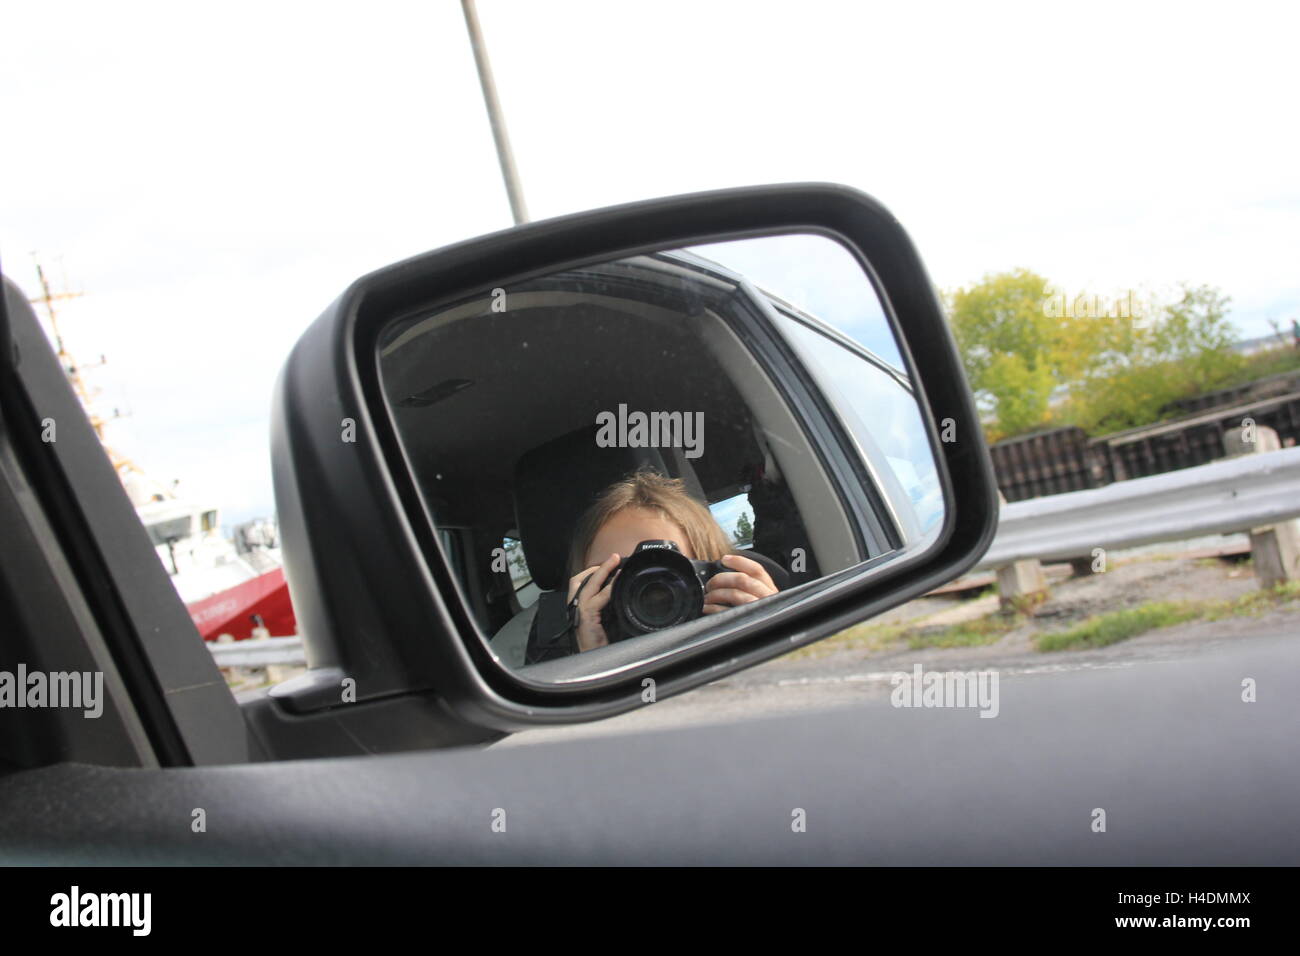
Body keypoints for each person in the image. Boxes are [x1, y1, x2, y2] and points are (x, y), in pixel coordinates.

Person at [559, 469, 780, 655]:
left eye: (668, 575)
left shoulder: (732, 641)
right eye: (610, 576)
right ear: (580, 594)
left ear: (715, 581)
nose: (648, 596)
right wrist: (591, 657)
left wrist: (763, 634)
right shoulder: (559, 664)